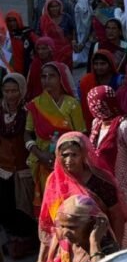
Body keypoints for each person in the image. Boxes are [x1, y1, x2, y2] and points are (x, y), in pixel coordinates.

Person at [37, 132, 126, 262]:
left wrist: (117, 249)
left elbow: (117, 216)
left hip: (95, 243)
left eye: (74, 155)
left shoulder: (101, 181)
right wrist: (42, 259)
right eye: (64, 155)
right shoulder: (54, 181)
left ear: (84, 154)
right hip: (64, 247)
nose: (68, 160)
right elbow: (49, 224)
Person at [87, 86, 127, 248]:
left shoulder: (124, 127)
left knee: (124, 229)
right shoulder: (96, 124)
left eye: (99, 105)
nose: (95, 109)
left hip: (120, 185)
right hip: (99, 186)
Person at [25, 62, 85, 211]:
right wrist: (41, 154)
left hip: (68, 162)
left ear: (61, 79)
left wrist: (62, 155)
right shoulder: (35, 104)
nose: (47, 80)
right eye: (43, 76)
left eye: (51, 76)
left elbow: (81, 135)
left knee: (68, 205)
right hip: (42, 162)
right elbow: (27, 133)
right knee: (49, 204)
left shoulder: (72, 104)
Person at [40, 195, 118, 262]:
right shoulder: (64, 245)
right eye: (62, 226)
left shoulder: (108, 248)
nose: (65, 233)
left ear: (92, 224)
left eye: (72, 227)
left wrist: (94, 243)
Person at [0, 73, 37, 258]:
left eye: (14, 90)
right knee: (7, 207)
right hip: (3, 169)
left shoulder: (29, 111)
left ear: (21, 90)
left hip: (24, 169)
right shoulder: (0, 112)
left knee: (25, 208)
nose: (10, 95)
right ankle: (15, 241)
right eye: (6, 91)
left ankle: (28, 242)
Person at [78, 50, 121, 128]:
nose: (99, 67)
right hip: (94, 121)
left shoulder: (119, 80)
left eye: (103, 64)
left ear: (110, 65)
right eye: (96, 64)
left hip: (117, 121)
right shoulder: (86, 81)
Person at [39, 0, 75, 68]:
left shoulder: (66, 17)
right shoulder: (44, 20)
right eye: (52, 6)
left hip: (65, 51)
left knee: (65, 70)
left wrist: (73, 41)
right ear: (48, 8)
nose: (55, 8)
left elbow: (73, 30)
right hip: (50, 51)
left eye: (56, 6)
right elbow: (39, 34)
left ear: (60, 6)